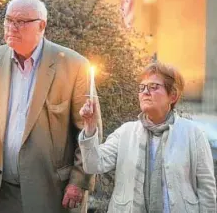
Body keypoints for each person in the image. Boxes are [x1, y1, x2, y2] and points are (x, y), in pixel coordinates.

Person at [0, 0, 102, 213]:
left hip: (52, 192)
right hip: (0, 192)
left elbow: (89, 130)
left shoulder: (74, 66)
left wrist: (79, 182)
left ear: (41, 26)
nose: (12, 27)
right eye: (8, 20)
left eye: (21, 22)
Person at [78, 62, 216, 213]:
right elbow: (93, 164)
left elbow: (207, 190)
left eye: (153, 87)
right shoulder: (125, 132)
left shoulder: (193, 134)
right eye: (141, 88)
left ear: (173, 95)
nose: (145, 92)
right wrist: (90, 127)